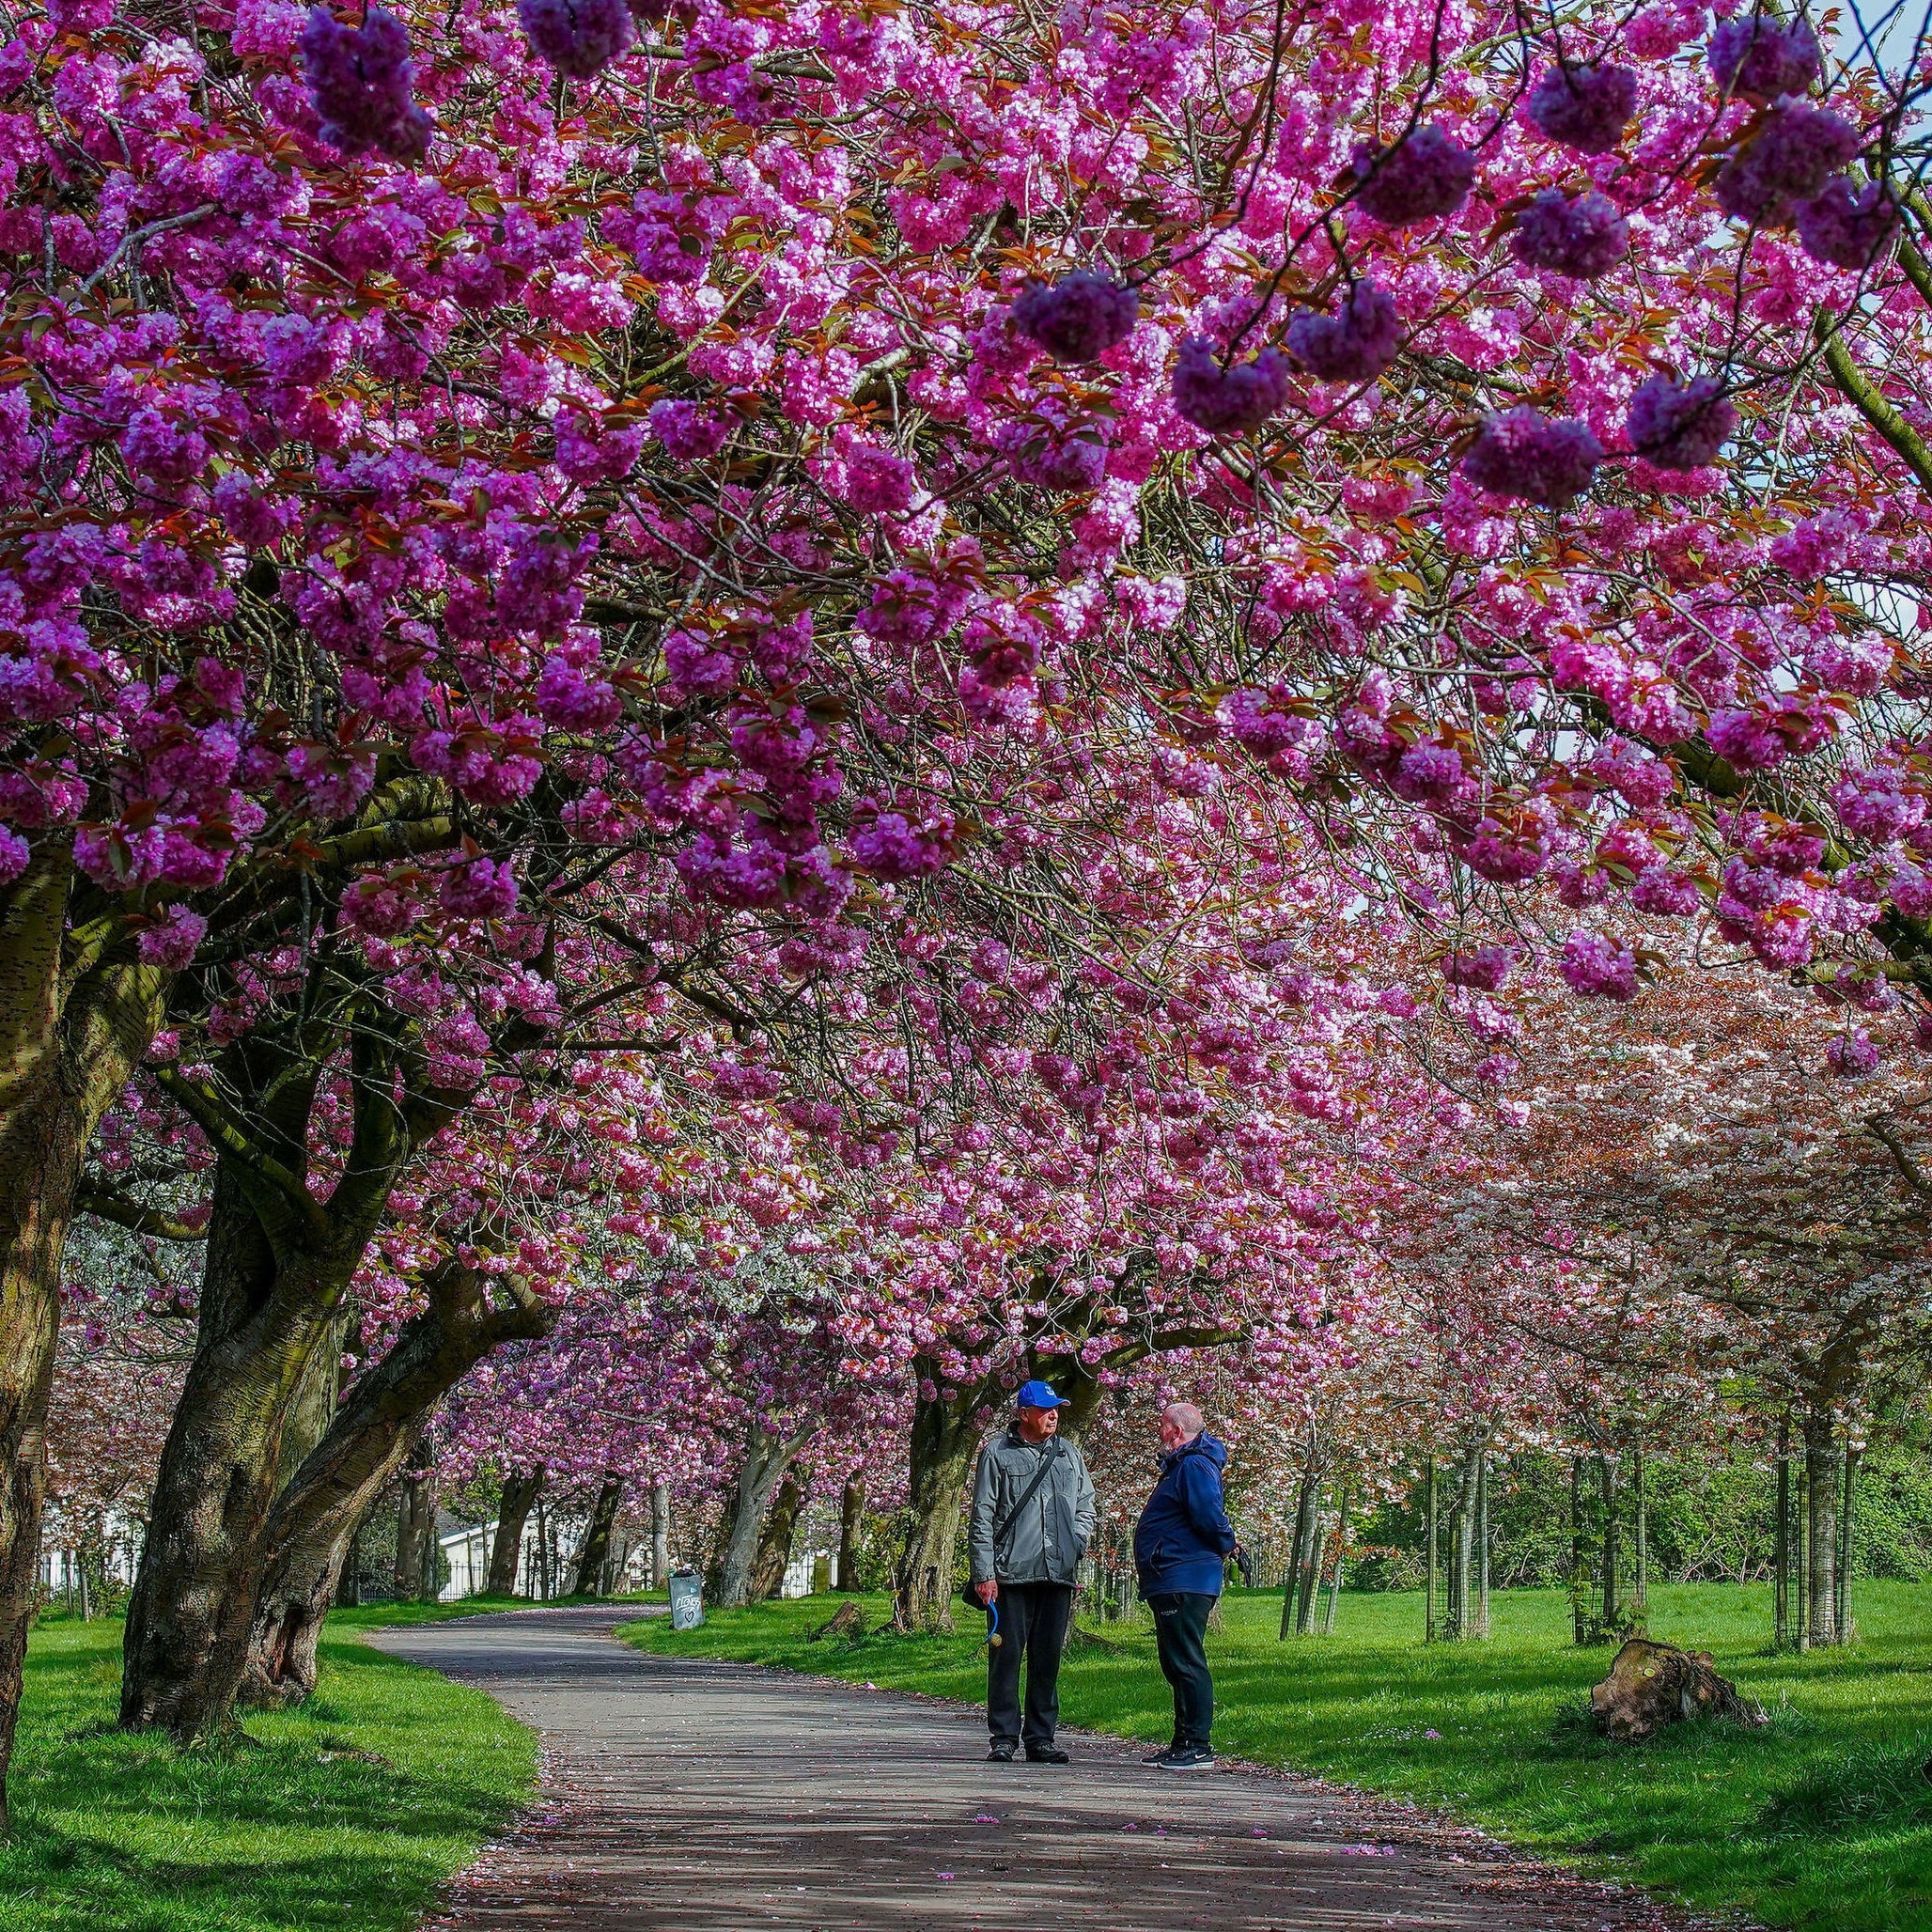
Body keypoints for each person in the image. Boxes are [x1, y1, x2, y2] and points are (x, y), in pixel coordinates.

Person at [968, 1379, 1097, 1764]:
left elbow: (1086, 1504)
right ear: (1024, 1414)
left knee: (1047, 1658)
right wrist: (983, 1573)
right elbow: (982, 1516)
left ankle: (1041, 1737)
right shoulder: (997, 1454)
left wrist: (1076, 1543)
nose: (1053, 1415)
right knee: (1005, 1658)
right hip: (1010, 1576)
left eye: (1055, 1408)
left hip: (1058, 1574)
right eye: (1044, 1410)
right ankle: (1004, 1737)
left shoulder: (1068, 1455)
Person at [1132, 1400, 1238, 1770]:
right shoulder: (1184, 1466)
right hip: (1173, 1574)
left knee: (1186, 1659)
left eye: (1162, 1425)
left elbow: (1208, 1514)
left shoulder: (1193, 1465)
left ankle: (1198, 1745)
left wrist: (1228, 1541)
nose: (1159, 1432)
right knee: (1175, 1660)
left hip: (1185, 1574)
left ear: (1176, 1431)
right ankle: (1182, 1742)